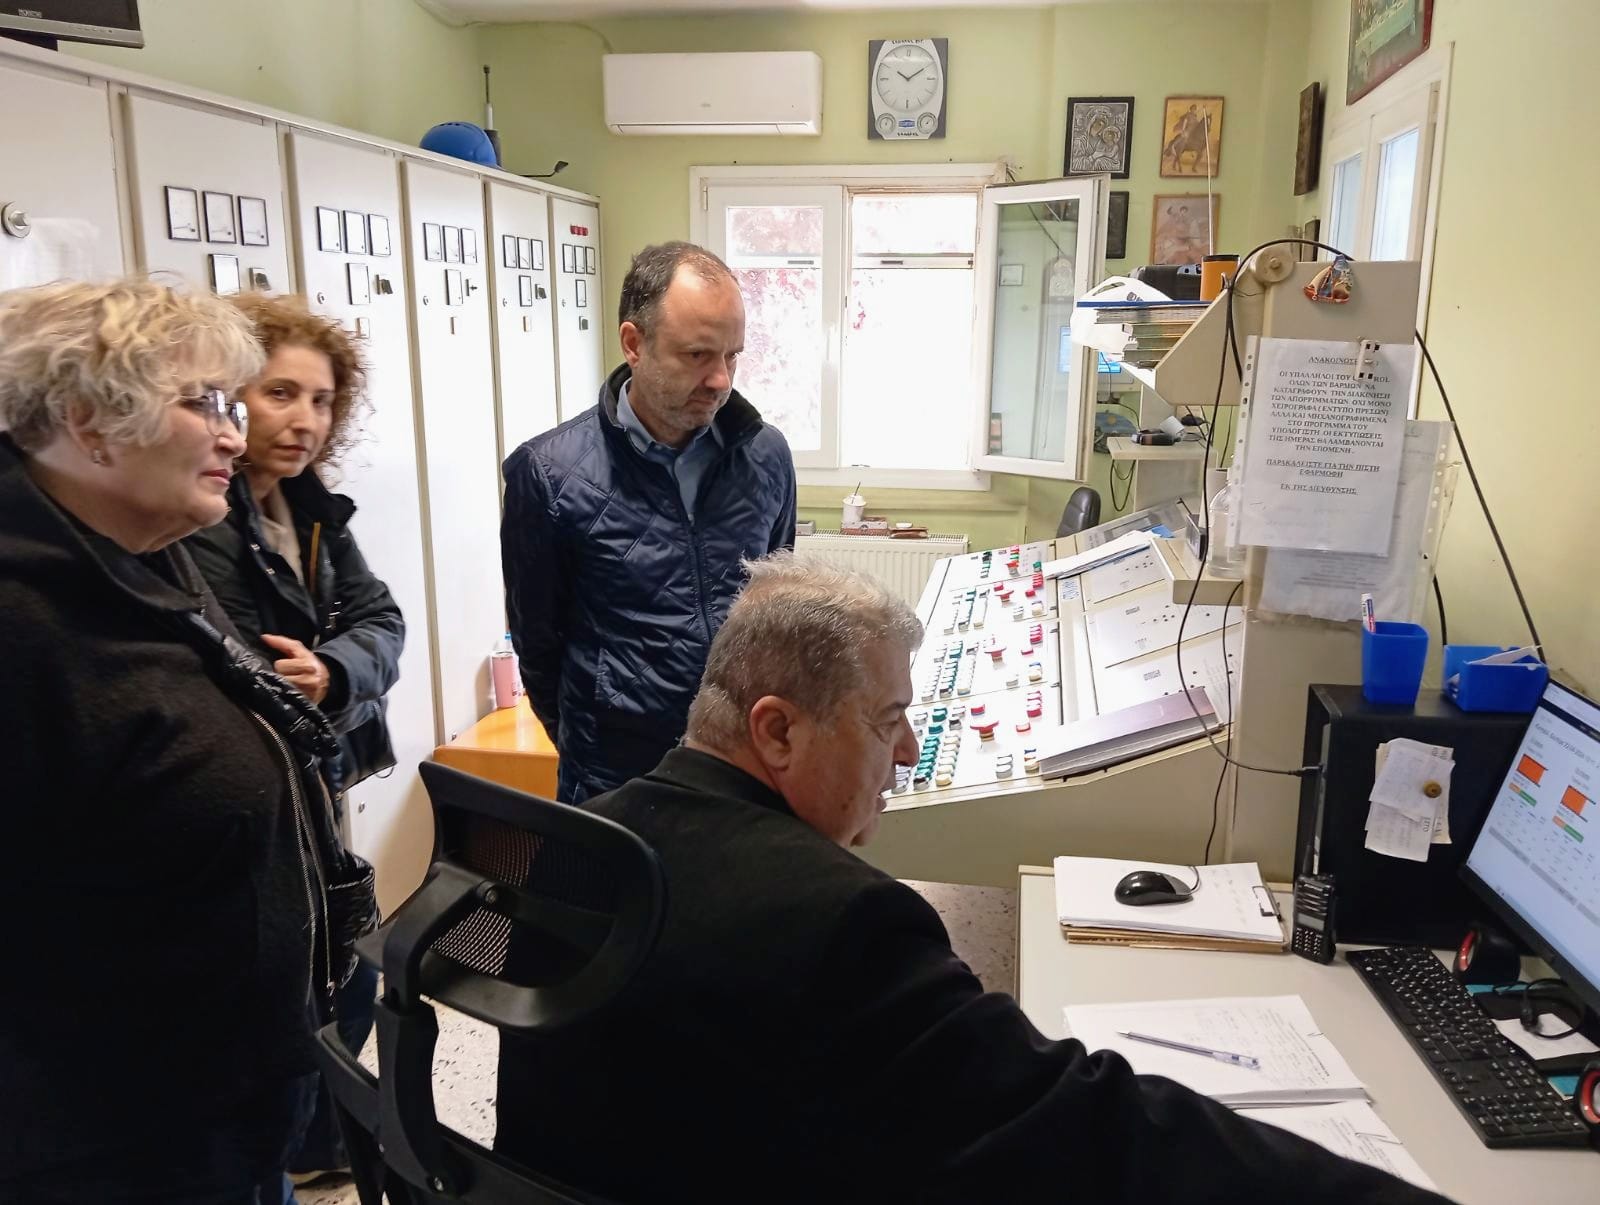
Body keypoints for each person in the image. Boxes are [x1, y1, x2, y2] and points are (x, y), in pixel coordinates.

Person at [494, 554, 1452, 1205]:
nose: (909, 750)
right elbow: (1091, 1128)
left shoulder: (581, 840)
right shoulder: (841, 920)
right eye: (887, 719)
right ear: (777, 729)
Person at [0, 280, 348, 1203]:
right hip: (111, 1144)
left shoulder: (151, 555)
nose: (235, 434)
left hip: (227, 1105)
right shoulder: (21, 624)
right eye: (204, 404)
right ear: (89, 422)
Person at [183, 293, 402, 1189]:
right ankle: (304, 1148)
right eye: (279, 394)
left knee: (342, 966)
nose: (304, 420)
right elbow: (238, 669)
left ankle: (317, 1148)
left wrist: (334, 671)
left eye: (320, 400)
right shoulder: (202, 517)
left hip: (319, 769)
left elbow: (381, 619)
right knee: (308, 975)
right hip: (262, 791)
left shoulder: (308, 508)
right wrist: (317, 678)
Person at [501, 241, 796, 803]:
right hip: (616, 783)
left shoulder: (765, 454)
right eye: (698, 355)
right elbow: (538, 646)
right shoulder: (547, 474)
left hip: (742, 771)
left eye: (732, 356)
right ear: (634, 344)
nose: (720, 380)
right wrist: (592, 749)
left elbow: (775, 608)